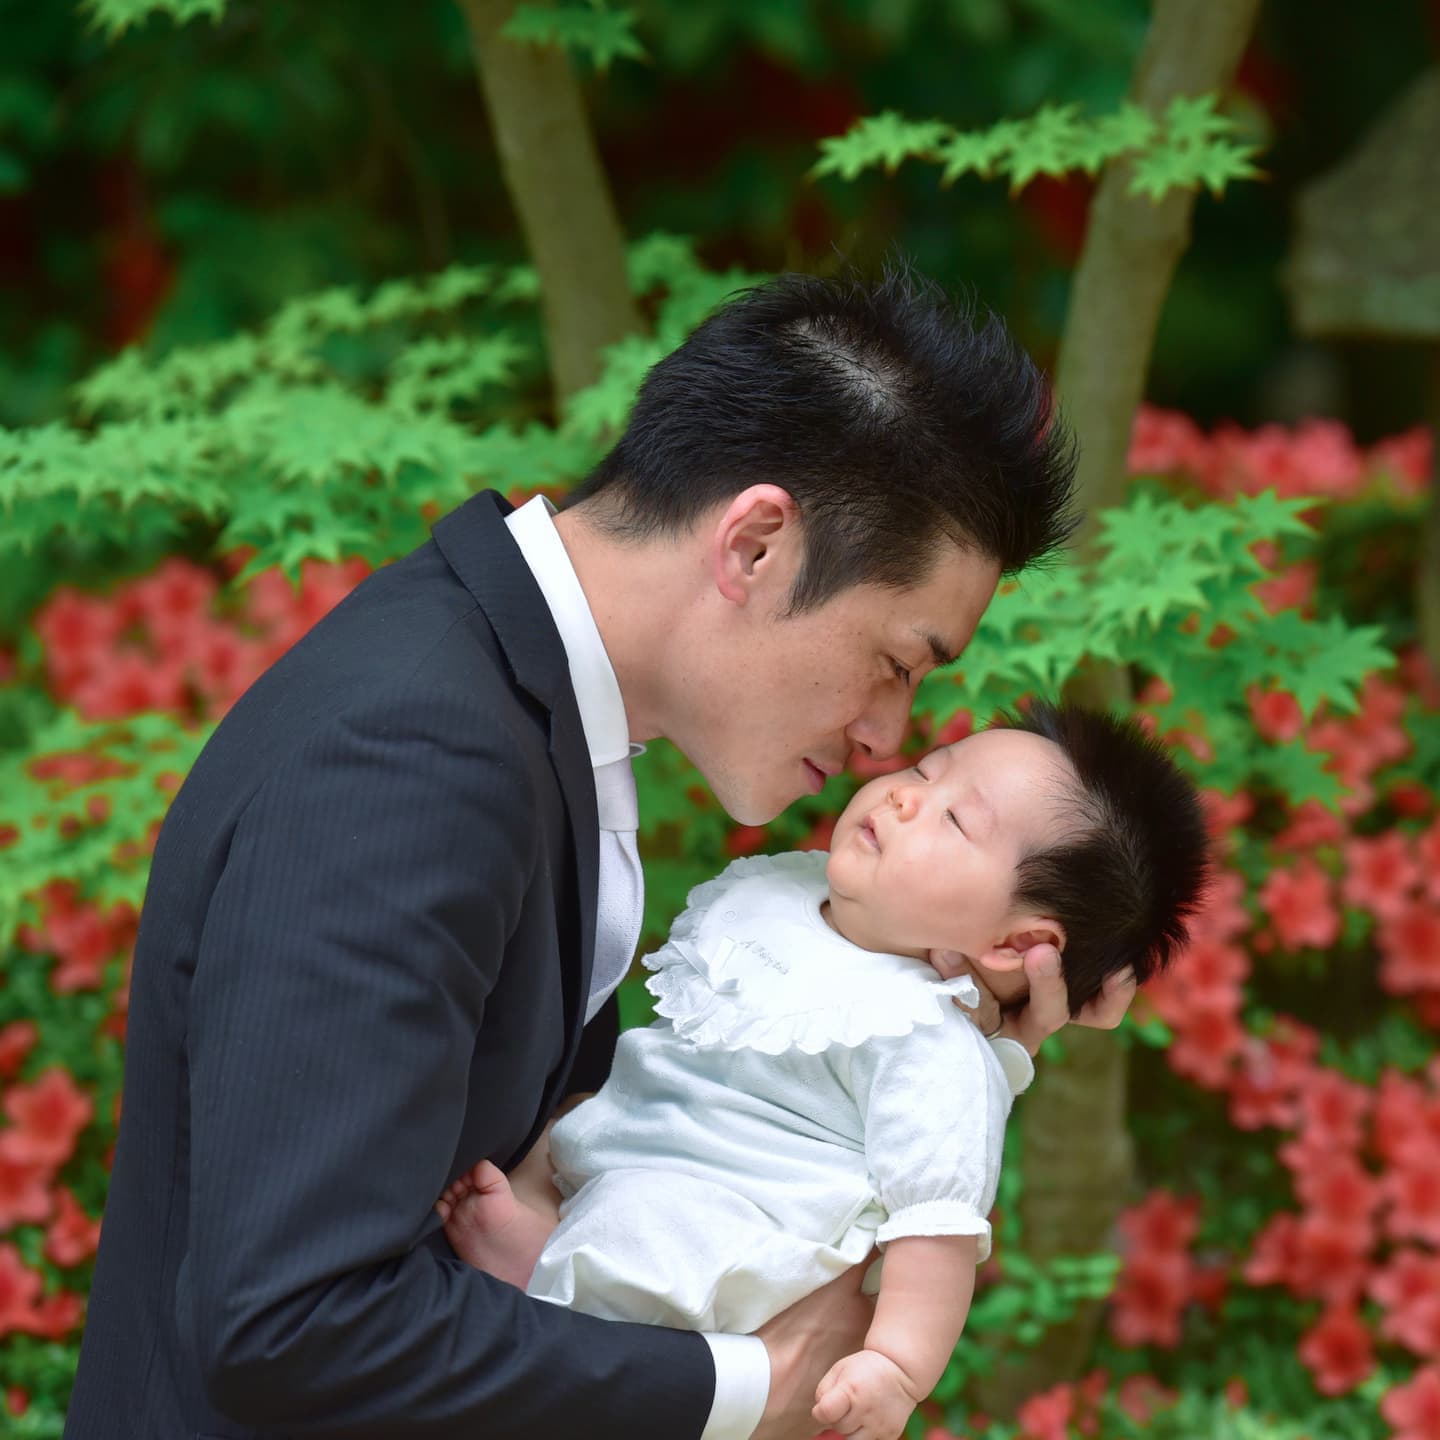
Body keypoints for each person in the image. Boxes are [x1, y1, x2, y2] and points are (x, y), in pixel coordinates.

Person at [65, 268, 1134, 1440]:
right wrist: (743, 1389)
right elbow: (293, 1319)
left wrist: (949, 1043)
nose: (887, 738)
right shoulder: (410, 758)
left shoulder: (522, 712)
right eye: (896, 657)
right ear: (759, 544)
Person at [436, 704, 1209, 1440]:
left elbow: (934, 1228)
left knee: (657, 1226)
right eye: (930, 771)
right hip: (645, 1142)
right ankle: (559, 1237)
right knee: (565, 1125)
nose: (908, 797)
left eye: (955, 819)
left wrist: (894, 1365)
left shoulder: (932, 1046)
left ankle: (552, 1278)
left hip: (734, 1222)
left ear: (1015, 945)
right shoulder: (791, 895)